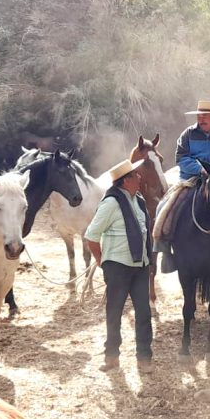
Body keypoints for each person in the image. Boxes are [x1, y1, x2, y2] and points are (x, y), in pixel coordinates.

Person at [154, 100, 210, 269]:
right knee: (165, 206)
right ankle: (165, 251)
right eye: (199, 115)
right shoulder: (188, 134)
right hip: (191, 179)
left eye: (205, 116)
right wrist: (201, 169)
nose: (201, 119)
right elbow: (181, 158)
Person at [85, 159, 154, 374]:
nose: (139, 177)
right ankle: (111, 357)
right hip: (118, 267)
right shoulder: (111, 204)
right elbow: (91, 236)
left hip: (140, 265)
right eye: (135, 175)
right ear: (125, 182)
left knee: (143, 312)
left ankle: (144, 357)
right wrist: (101, 260)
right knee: (114, 312)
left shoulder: (139, 201)